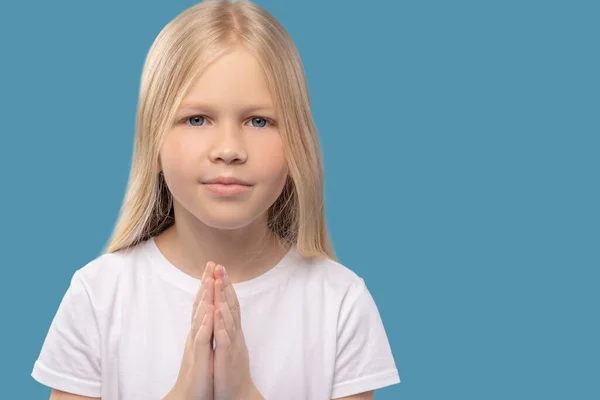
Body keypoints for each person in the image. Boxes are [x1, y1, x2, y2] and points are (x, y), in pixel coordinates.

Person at [30, 0, 401, 399]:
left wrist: (241, 390)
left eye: (259, 121)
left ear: (297, 144)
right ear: (153, 143)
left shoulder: (340, 303)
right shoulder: (98, 296)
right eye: (197, 119)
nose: (228, 149)